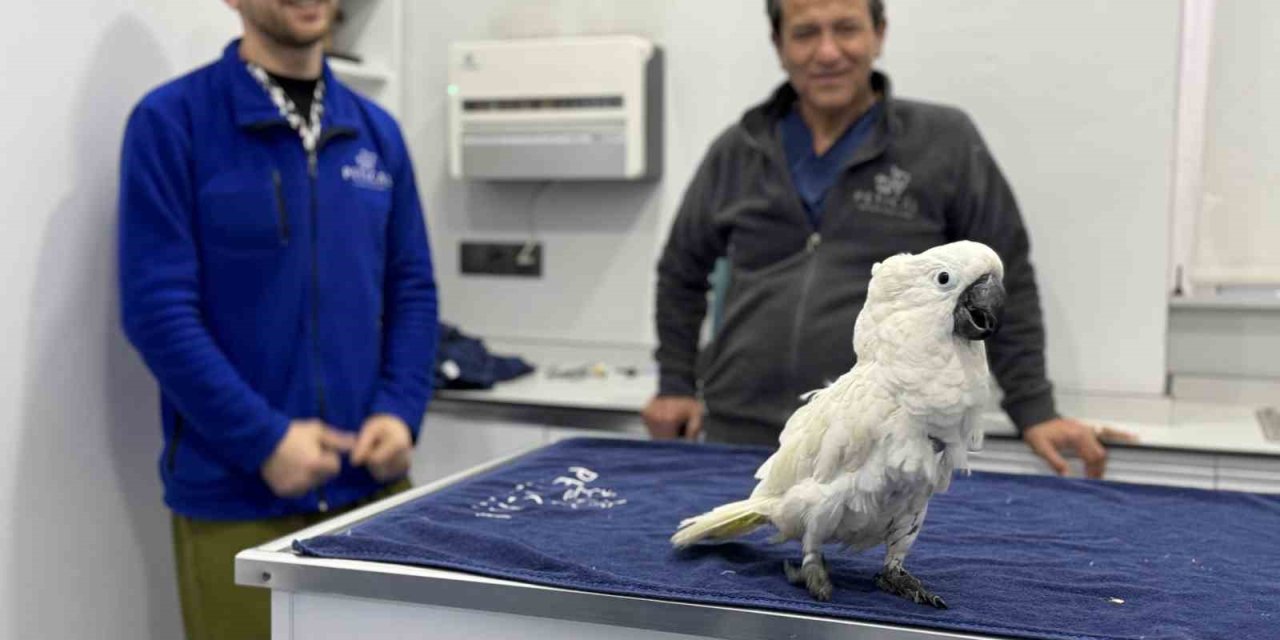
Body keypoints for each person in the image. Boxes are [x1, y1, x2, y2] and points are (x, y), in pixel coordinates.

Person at [643, 0, 1133, 478]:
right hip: (737, 432)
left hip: (883, 441)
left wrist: (1034, 408)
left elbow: (1007, 277)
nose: (828, 51)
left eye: (847, 29)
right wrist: (674, 383)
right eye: (806, 32)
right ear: (779, 45)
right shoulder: (738, 149)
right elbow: (681, 272)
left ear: (879, 33)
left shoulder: (945, 142)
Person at [117, 1, 437, 637]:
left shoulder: (376, 132)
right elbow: (157, 310)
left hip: (373, 498)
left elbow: (412, 290)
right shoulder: (172, 122)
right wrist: (263, 440)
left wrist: (400, 409)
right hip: (237, 502)